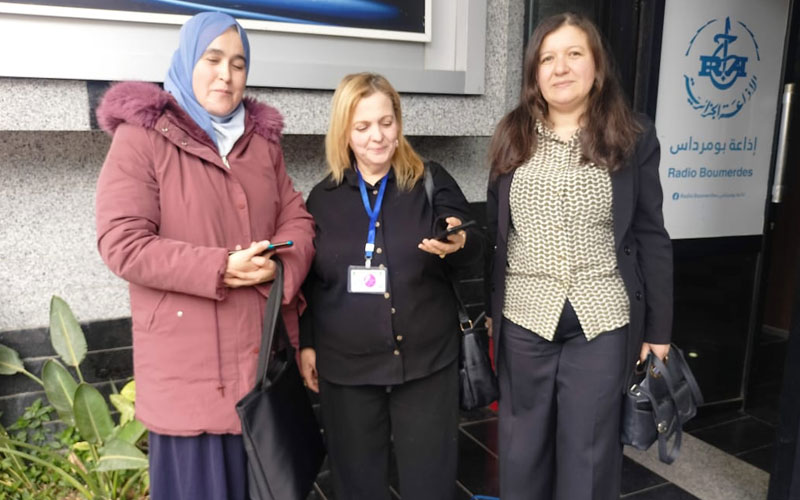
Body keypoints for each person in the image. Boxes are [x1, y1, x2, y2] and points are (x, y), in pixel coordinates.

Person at [94, 12, 315, 500]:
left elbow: (297, 221)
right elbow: (122, 242)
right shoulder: (142, 138)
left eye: (238, 64)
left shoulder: (261, 144)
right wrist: (221, 268)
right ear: (187, 61)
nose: (226, 75)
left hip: (260, 369)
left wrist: (279, 264)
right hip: (189, 373)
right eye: (212, 59)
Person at [485, 12, 673, 500]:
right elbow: (497, 231)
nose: (560, 68)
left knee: (589, 454)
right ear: (534, 72)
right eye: (547, 58)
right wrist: (489, 312)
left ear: (596, 65)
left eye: (574, 54)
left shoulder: (632, 136)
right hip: (525, 317)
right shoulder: (512, 133)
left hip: (602, 321)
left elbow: (651, 233)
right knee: (522, 451)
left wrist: (658, 331)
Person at [298, 72, 482, 500]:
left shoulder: (430, 180)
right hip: (346, 368)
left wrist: (459, 240)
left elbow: (474, 241)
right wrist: (307, 343)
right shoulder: (323, 197)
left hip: (425, 362)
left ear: (398, 122)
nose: (377, 136)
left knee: (430, 484)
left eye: (386, 122)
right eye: (362, 126)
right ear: (344, 132)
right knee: (357, 485)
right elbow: (311, 281)